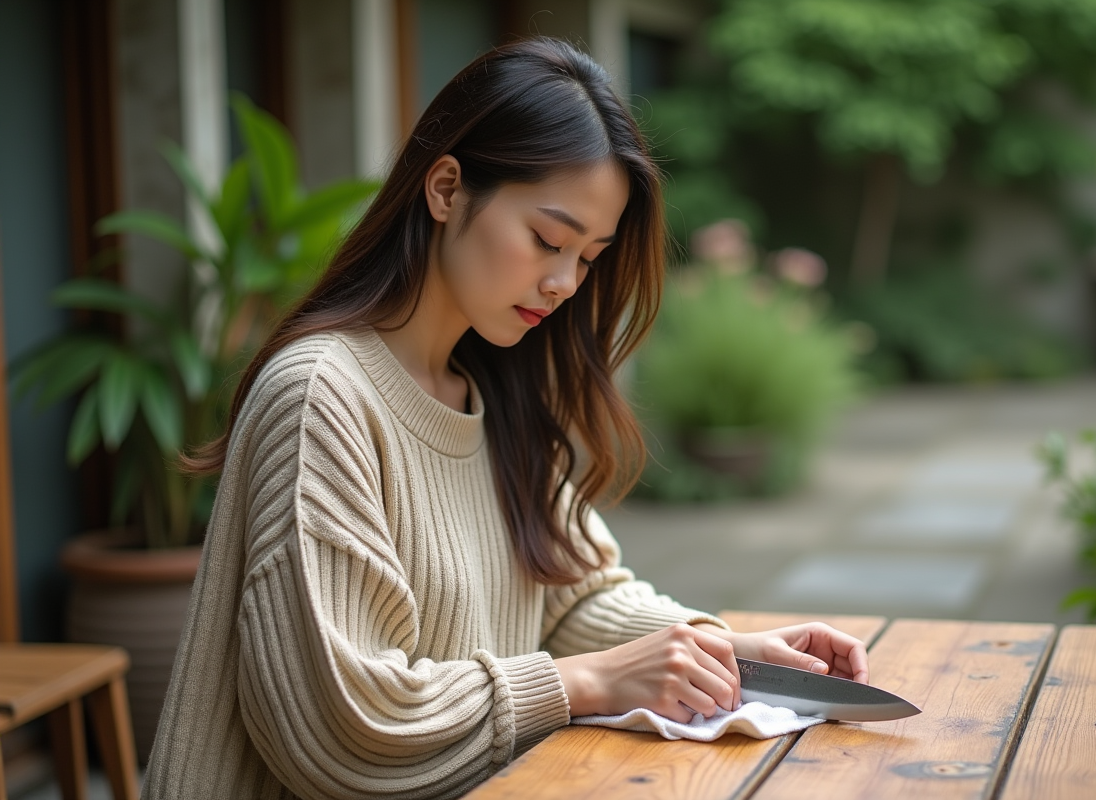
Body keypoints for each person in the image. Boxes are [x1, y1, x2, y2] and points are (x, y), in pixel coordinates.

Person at [140, 37, 869, 800]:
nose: (563, 283)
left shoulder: (496, 384)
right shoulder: (323, 394)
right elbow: (349, 728)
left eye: (588, 257)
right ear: (448, 188)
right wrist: (585, 682)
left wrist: (724, 649)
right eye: (547, 240)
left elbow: (573, 595)